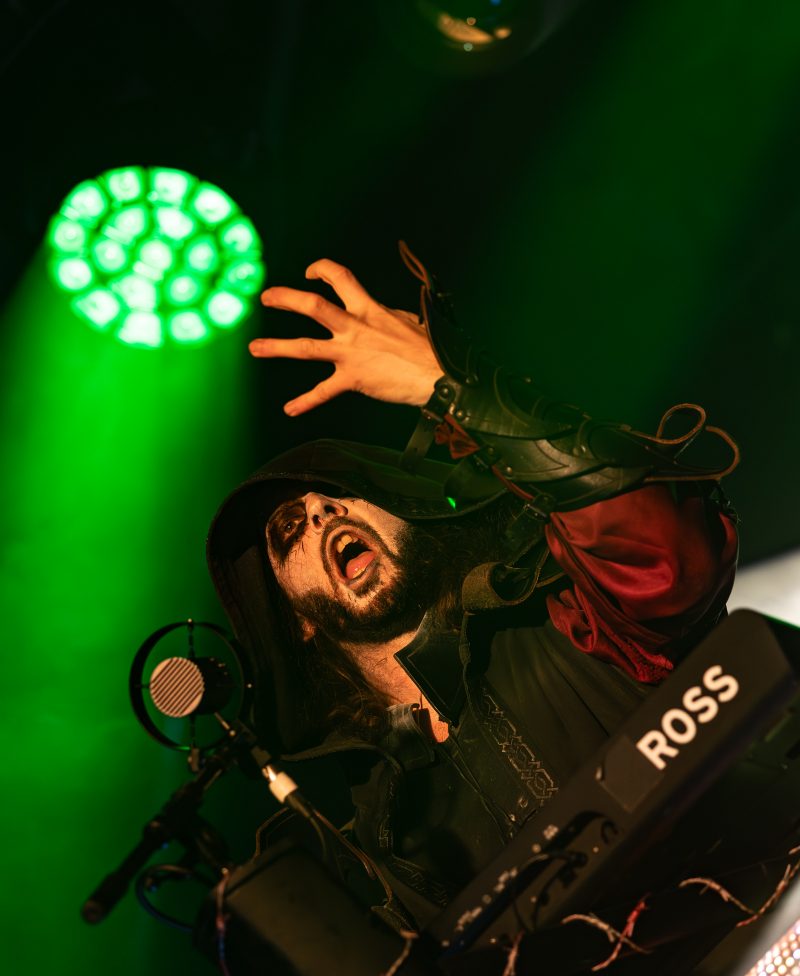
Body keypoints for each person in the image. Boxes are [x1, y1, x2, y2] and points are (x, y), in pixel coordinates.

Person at [207, 247, 739, 932]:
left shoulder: (564, 615)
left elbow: (667, 556)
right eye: (288, 530)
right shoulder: (377, 839)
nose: (320, 511)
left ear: (404, 515)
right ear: (296, 620)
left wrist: (451, 386)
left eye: (341, 491)